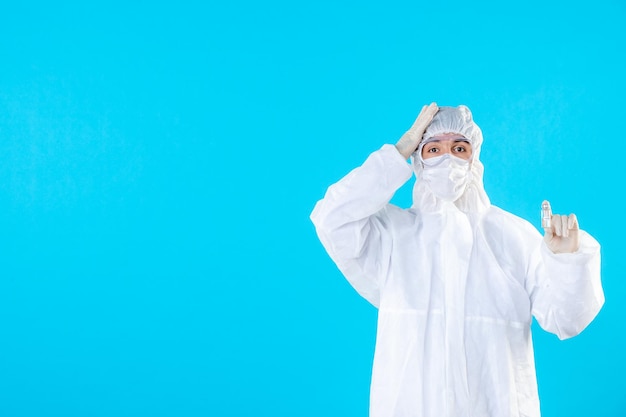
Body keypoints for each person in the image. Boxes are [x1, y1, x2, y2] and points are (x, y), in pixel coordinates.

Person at [309, 103, 604, 417]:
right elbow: (331, 218)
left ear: (473, 157)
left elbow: (567, 320)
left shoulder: (512, 235)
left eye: (459, 147)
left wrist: (566, 260)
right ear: (418, 159)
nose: (447, 157)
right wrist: (397, 153)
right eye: (433, 148)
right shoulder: (393, 235)